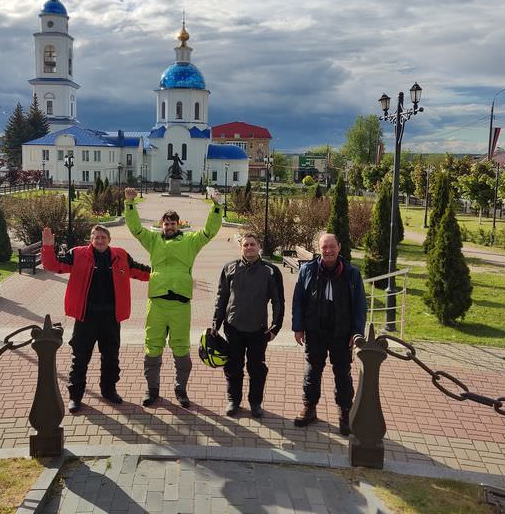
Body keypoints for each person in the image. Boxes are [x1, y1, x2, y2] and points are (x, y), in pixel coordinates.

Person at [124, 186, 223, 408]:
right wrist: (129, 204)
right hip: (157, 303)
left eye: (172, 223)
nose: (169, 227)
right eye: (166, 223)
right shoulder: (153, 240)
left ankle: (181, 390)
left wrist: (217, 207)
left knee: (181, 348)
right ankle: (152, 390)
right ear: (162, 225)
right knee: (152, 347)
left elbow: (209, 231)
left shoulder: (190, 242)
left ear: (179, 225)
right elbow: (136, 229)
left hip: (180, 304)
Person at [41, 224, 150, 414]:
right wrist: (48, 247)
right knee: (80, 358)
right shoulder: (78, 254)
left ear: (109, 239)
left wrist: (167, 271)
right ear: (91, 239)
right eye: (96, 237)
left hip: (111, 317)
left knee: (111, 357)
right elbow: (53, 265)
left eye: (103, 237)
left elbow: (141, 272)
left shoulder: (121, 255)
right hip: (86, 317)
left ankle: (109, 391)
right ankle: (75, 396)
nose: (100, 240)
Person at [291, 232, 366, 434]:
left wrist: (357, 331)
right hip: (315, 331)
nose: (328, 251)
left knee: (342, 373)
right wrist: (298, 327)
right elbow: (298, 299)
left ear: (339, 247)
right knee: (312, 371)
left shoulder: (352, 274)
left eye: (332, 246)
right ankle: (309, 408)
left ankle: (345, 412)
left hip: (341, 333)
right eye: (324, 247)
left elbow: (360, 306)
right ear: (319, 249)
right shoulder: (308, 270)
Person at [212, 232, 284, 418]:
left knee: (257, 369)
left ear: (259, 246)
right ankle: (233, 400)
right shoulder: (230, 268)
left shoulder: (270, 271)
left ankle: (255, 403)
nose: (249, 247)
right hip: (233, 327)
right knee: (233, 366)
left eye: (253, 244)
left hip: (258, 330)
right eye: (246, 245)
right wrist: (216, 323)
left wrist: (276, 327)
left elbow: (278, 301)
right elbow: (222, 297)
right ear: (241, 247)